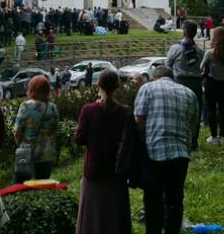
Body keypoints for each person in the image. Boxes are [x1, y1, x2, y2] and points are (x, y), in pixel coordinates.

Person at [134, 66, 198, 234]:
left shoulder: (147, 88)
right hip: (181, 154)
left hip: (154, 151)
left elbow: (139, 122)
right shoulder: (189, 93)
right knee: (175, 199)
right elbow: (193, 126)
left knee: (153, 198)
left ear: (155, 78)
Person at [74, 70, 133, 234]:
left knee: (90, 220)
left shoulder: (88, 110)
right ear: (118, 87)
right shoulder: (125, 112)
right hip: (117, 173)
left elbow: (79, 139)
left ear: (98, 86)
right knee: (115, 218)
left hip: (93, 171)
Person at [165, 20, 204, 149]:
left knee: (178, 111)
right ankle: (194, 141)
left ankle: (180, 140)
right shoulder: (200, 51)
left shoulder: (176, 48)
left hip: (179, 82)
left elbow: (167, 65)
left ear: (183, 31)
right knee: (195, 112)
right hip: (196, 84)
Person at [13, 75, 60, 182]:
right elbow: (55, 132)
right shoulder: (53, 108)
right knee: (42, 186)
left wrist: (21, 145)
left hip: (27, 153)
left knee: (21, 187)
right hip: (47, 154)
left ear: (31, 89)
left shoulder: (26, 106)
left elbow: (17, 132)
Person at [201, 27, 224, 144]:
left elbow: (201, 67)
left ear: (214, 37)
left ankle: (214, 137)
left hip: (212, 84)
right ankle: (223, 136)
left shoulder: (209, 53)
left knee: (211, 110)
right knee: (223, 110)